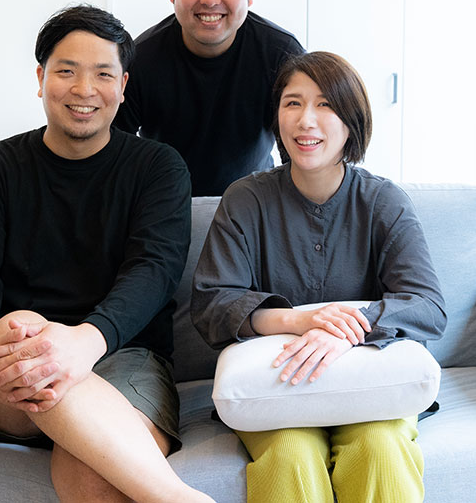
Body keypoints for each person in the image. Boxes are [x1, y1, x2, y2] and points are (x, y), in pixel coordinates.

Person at [0, 4, 212, 503]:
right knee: (23, 326)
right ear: (41, 78)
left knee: (94, 476)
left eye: (103, 74)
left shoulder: (158, 168)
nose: (85, 90)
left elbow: (154, 269)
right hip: (13, 368)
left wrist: (87, 340)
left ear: (122, 86)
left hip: (124, 356)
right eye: (66, 71)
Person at [191, 51, 448, 503]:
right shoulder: (246, 199)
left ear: (352, 122)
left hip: (371, 387)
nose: (305, 120)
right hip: (277, 387)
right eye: (293, 103)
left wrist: (346, 328)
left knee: (380, 450)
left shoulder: (384, 202)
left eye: (325, 104)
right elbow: (212, 303)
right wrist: (297, 321)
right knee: (289, 455)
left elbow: (428, 306)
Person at [113, 0, 304, 197]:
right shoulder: (141, 58)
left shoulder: (281, 53)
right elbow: (116, 151)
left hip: (255, 200)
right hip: (164, 200)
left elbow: (300, 144)